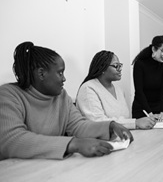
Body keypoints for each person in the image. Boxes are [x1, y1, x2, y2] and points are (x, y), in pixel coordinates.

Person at [0, 42, 133, 160]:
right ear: (41, 74)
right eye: (60, 73)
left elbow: (78, 126)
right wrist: (72, 144)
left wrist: (109, 126)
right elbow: (12, 140)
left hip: (49, 168)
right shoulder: (9, 95)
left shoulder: (61, 96)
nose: (64, 79)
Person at [76, 50, 156, 130]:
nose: (120, 69)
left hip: (121, 137)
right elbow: (98, 122)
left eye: (120, 65)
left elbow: (124, 119)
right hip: (98, 140)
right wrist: (135, 123)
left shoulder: (119, 90)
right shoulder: (88, 88)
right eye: (116, 66)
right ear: (102, 68)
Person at [132, 35, 163, 121]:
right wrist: (149, 113)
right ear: (154, 49)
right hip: (142, 109)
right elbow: (139, 91)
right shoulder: (140, 64)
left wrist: (162, 112)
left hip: (157, 109)